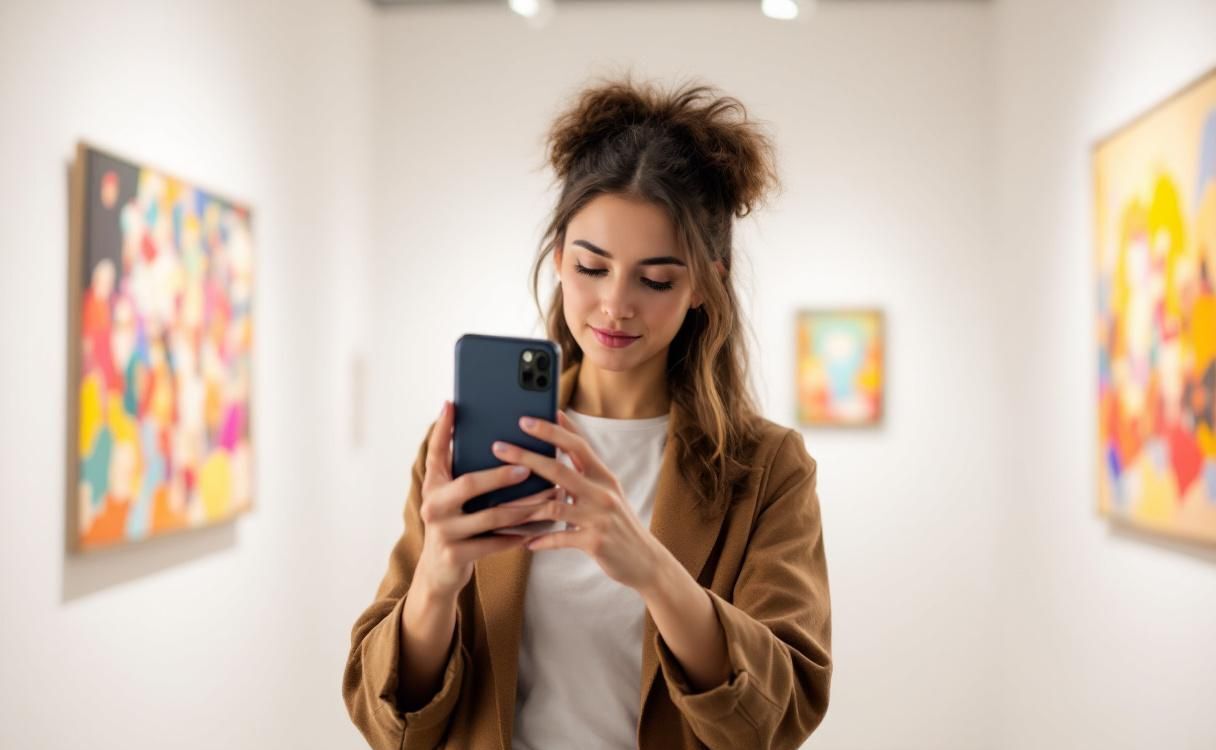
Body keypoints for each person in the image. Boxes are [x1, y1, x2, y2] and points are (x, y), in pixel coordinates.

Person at [343, 77, 832, 750]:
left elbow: (780, 714)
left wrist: (653, 569)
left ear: (705, 285)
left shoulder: (767, 469)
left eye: (656, 279)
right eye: (592, 267)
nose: (615, 305)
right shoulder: (468, 442)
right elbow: (386, 719)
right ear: (558, 261)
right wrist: (435, 581)